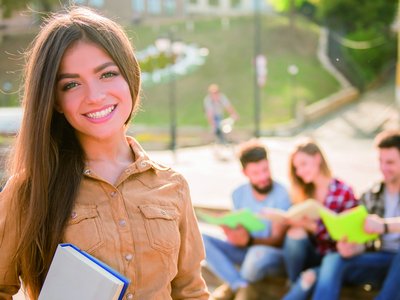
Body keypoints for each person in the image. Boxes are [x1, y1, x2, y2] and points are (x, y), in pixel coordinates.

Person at [0, 7, 209, 300]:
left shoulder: (173, 186)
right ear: (55, 100)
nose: (95, 96)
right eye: (71, 84)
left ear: (129, 76)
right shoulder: (29, 191)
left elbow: (191, 292)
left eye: (107, 74)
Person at [311, 130, 400, 300]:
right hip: (380, 261)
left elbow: (380, 227)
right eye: (380, 161)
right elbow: (366, 240)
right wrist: (353, 248)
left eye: (390, 162)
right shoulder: (371, 194)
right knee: (333, 260)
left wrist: (384, 226)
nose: (383, 168)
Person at [202, 139, 291, 300]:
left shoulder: (282, 193)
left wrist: (249, 241)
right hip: (245, 251)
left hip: (271, 255)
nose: (263, 177)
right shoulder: (238, 194)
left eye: (265, 169)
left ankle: (231, 290)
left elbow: (278, 240)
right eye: (256, 173)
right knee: (201, 239)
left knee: (256, 253)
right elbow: (240, 232)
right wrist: (232, 232)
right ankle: (238, 285)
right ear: (245, 173)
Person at [283, 138, 358, 300]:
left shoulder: (343, 191)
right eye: (296, 167)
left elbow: (348, 235)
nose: (299, 172)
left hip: (337, 257)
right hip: (312, 254)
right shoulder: (303, 192)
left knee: (308, 279)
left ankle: (297, 284)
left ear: (318, 158)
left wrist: (313, 226)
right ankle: (293, 281)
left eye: (303, 164)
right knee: (295, 233)